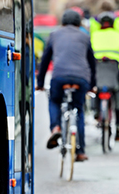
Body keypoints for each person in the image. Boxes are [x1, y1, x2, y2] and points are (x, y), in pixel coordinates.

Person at [36, 9, 96, 162]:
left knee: (55, 100)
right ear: (79, 23)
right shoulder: (85, 36)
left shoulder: (55, 35)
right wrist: (92, 85)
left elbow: (45, 60)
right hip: (81, 78)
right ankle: (80, 151)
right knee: (78, 108)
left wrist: (41, 83)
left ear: (62, 22)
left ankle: (56, 128)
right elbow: (92, 62)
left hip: (59, 76)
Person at [89, 0, 119, 141]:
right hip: (117, 63)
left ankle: (96, 112)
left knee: (95, 87)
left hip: (97, 63)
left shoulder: (93, 23)